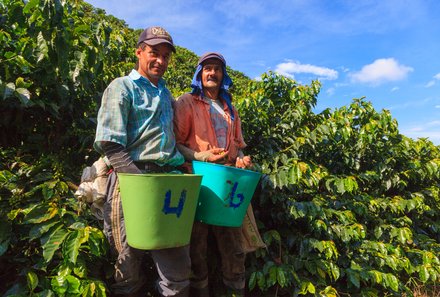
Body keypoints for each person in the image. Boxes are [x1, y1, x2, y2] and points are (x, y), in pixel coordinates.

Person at [94, 26, 190, 297]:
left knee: (177, 272)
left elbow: (173, 140)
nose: (160, 60)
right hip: (130, 181)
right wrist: (141, 183)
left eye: (165, 56)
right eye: (153, 53)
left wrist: (187, 160)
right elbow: (111, 143)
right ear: (139, 52)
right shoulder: (122, 87)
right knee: (128, 268)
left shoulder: (167, 95)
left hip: (168, 184)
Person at [173, 52, 253, 297]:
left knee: (234, 247)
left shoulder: (230, 108)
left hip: (227, 184)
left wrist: (240, 158)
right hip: (198, 182)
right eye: (208, 68)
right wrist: (201, 156)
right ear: (200, 73)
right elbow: (175, 144)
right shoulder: (186, 103)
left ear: (223, 75)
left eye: (217, 69)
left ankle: (234, 289)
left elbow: (237, 144)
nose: (212, 73)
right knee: (196, 247)